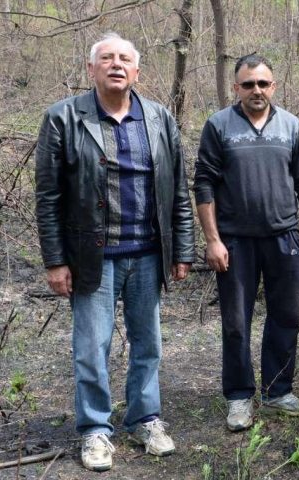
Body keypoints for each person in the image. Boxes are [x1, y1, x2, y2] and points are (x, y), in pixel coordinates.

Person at [34, 32, 194, 472]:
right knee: (91, 348)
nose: (116, 65)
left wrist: (182, 249)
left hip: (147, 254)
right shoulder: (64, 118)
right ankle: (94, 429)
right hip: (92, 257)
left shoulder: (159, 118)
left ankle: (145, 419)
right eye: (106, 58)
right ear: (92, 69)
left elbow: (178, 191)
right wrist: (55, 260)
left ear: (137, 71)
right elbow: (48, 197)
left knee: (149, 344)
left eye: (125, 58)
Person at [194, 54, 299, 431]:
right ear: (237, 88)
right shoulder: (219, 125)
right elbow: (204, 185)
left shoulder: (291, 126)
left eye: (263, 83)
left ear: (273, 86)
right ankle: (238, 396)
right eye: (248, 84)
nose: (256, 90)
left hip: (284, 238)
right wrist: (213, 240)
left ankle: (278, 390)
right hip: (235, 241)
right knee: (236, 321)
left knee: (287, 316)